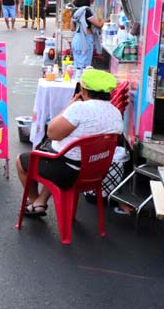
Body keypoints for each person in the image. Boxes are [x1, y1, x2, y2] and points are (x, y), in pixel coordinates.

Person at [16, 69, 124, 216]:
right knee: (56, 155)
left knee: (22, 161)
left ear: (84, 90)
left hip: (69, 172)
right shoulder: (115, 113)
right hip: (96, 171)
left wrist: (70, 105)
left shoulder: (79, 108)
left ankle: (34, 201)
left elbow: (52, 133)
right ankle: (40, 202)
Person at [71, 0, 103, 69]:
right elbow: (99, 25)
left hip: (76, 39)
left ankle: (76, 80)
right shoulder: (86, 11)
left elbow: (72, 28)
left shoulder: (74, 11)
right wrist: (108, 19)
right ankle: (81, 81)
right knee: (85, 66)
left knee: (77, 66)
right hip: (85, 40)